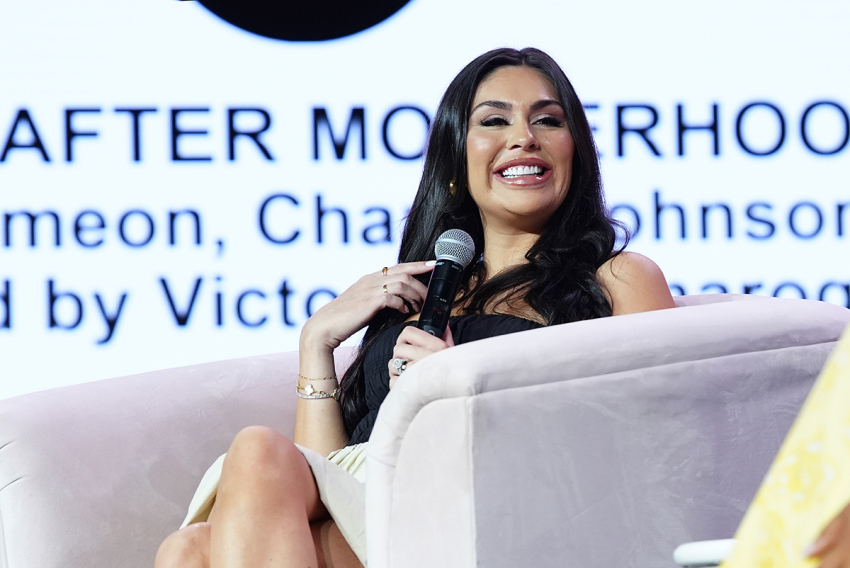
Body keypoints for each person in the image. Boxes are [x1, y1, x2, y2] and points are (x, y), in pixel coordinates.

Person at [153, 46, 676, 568]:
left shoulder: (616, 278)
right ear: (455, 158)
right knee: (220, 507)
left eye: (548, 120)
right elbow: (332, 466)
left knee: (211, 522)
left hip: (492, 505)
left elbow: (652, 442)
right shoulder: (421, 286)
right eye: (494, 120)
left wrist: (455, 396)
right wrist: (317, 343)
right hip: (372, 496)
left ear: (575, 151)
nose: (523, 137)